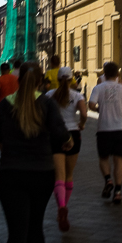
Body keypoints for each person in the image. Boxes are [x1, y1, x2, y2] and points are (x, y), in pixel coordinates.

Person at [0, 61, 72, 243]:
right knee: (35, 226)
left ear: (17, 80)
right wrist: (69, 142)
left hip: (11, 173)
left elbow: (0, 137)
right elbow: (61, 135)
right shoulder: (47, 104)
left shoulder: (5, 105)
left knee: (16, 232)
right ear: (41, 81)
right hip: (41, 173)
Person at [45, 66, 88, 231]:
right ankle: (62, 208)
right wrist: (82, 125)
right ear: (71, 79)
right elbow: (84, 114)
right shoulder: (77, 95)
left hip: (55, 135)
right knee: (69, 175)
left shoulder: (49, 95)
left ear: (58, 78)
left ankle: (61, 205)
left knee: (59, 177)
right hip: (73, 134)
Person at [89, 61, 122, 204]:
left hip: (104, 128)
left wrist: (99, 109)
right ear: (117, 74)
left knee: (103, 158)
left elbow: (91, 104)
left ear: (104, 73)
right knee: (118, 160)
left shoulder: (98, 87)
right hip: (120, 128)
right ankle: (118, 192)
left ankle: (108, 180)